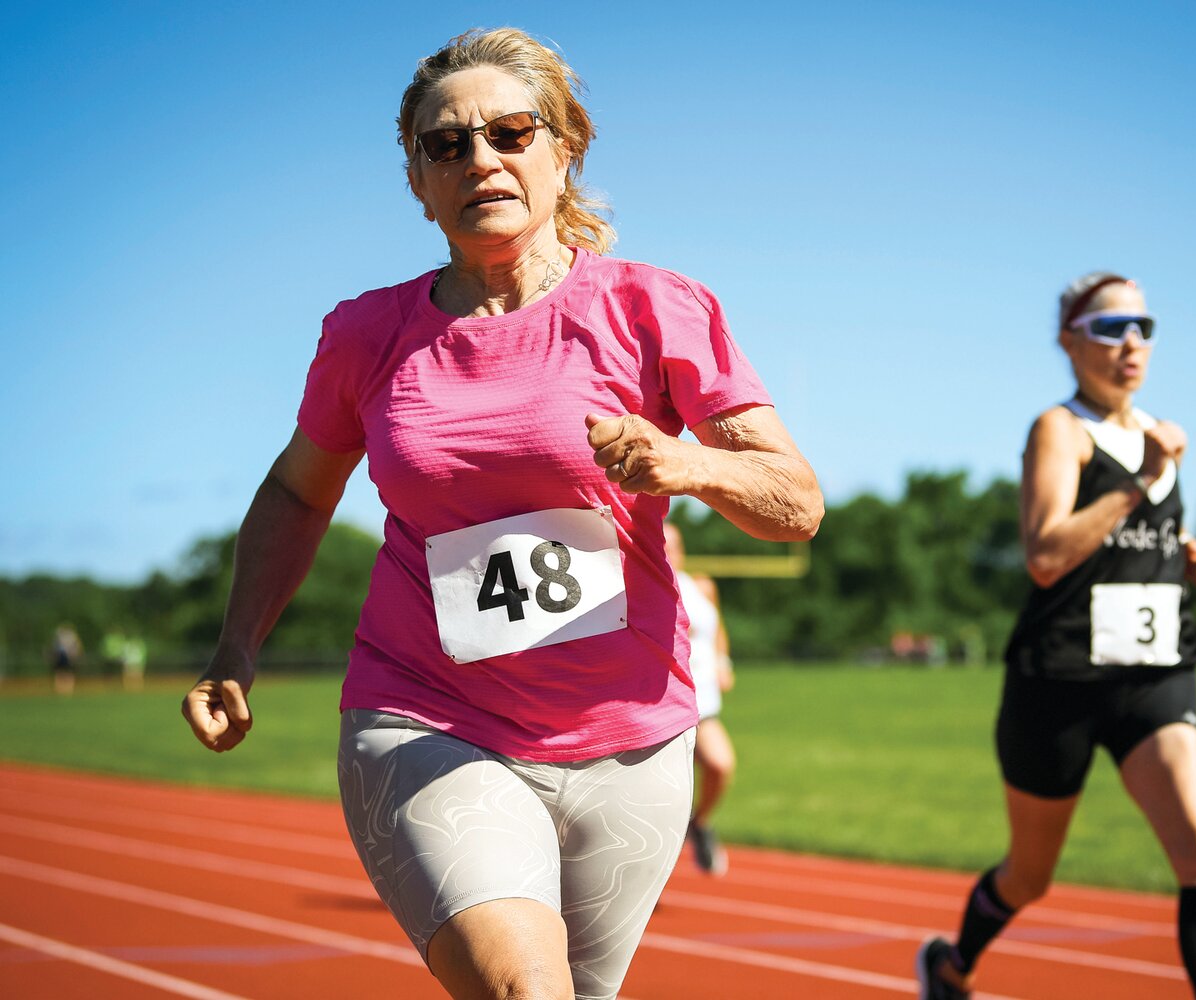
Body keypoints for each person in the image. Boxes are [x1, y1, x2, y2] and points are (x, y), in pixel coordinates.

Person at [181, 27, 822, 1000]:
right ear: (417, 181)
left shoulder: (657, 310)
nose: (481, 158)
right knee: (528, 991)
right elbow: (297, 491)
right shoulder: (368, 335)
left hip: (633, 737)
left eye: (511, 132)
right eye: (448, 144)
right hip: (427, 716)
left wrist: (687, 461)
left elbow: (795, 501)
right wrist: (236, 648)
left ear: (564, 149)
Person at [918, 272, 1196, 1000]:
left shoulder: (1157, 436)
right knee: (1030, 875)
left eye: (1143, 329)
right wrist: (1140, 480)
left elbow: (1145, 538)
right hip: (1059, 679)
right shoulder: (1059, 430)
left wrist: (1193, 554)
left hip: (1153, 674)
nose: (1130, 343)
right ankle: (951, 965)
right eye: (1110, 327)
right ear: (1069, 339)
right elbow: (1047, 553)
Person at [663, 522, 736, 875]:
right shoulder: (645, 586)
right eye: (663, 543)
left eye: (675, 544)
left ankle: (701, 822)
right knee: (663, 798)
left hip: (703, 703)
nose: (669, 551)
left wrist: (723, 661)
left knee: (720, 764)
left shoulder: (703, 586)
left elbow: (717, 627)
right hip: (663, 704)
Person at [50, 624, 82, 695]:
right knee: (61, 672)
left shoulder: (70, 636)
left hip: (67, 656)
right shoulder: (60, 636)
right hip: (62, 656)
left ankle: (67, 688)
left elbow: (76, 646)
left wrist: (75, 654)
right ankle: (61, 688)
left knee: (67, 672)